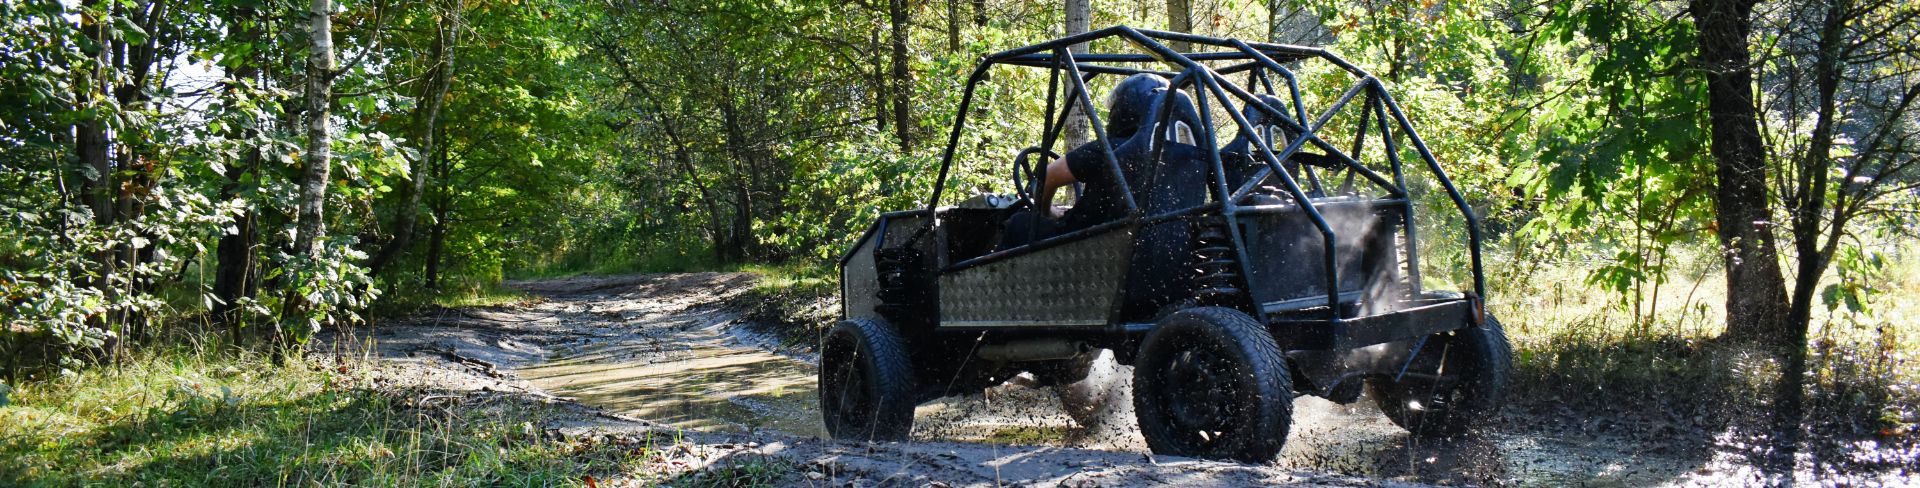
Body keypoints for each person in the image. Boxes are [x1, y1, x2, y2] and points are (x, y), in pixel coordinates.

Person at [999, 73, 1204, 250]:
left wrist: (1047, 211)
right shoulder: (1187, 157)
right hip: (1145, 244)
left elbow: (1047, 176)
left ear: (1124, 108)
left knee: (1019, 222)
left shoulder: (1111, 149)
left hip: (1085, 244)